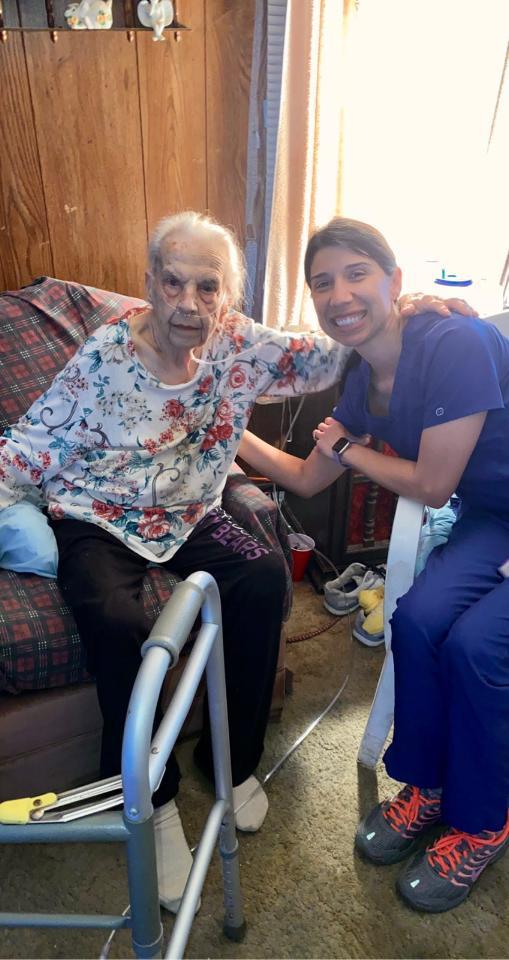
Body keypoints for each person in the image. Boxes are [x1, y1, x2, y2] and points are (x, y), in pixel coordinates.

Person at [0, 210, 471, 913]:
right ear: (150, 284)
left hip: (191, 510)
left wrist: (403, 312)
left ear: (228, 296)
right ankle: (149, 802)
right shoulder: (105, 356)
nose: (188, 304)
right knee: (114, 618)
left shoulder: (241, 347)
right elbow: (30, 445)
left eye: (208, 287)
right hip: (99, 514)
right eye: (173, 282)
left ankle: (231, 762)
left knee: (259, 577)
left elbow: (337, 344)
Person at [238, 215, 509, 914]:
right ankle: (426, 786)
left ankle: (481, 822)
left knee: (479, 645)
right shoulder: (360, 382)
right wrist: (225, 427)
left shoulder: (455, 341)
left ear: (393, 281)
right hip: (495, 519)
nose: (339, 294)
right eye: (321, 282)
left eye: (356, 273)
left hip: (478, 507)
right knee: (415, 620)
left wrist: (351, 448)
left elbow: (431, 485)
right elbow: (304, 478)